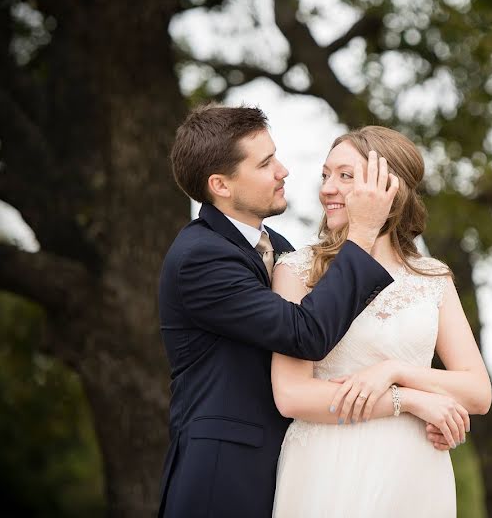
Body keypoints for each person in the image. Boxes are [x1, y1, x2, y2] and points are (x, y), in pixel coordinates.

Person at [157, 105, 400, 518]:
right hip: (224, 480)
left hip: (299, 472)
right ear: (221, 185)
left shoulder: (281, 248)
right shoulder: (201, 258)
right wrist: (361, 233)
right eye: (266, 163)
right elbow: (304, 334)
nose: (283, 170)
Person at [270, 126, 492, 517]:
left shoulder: (432, 277)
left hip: (414, 469)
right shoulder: (297, 270)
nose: (327, 189)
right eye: (326, 175)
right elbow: (292, 396)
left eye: (346, 176)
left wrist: (393, 371)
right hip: (328, 465)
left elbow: (477, 392)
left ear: (390, 189)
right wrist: (410, 400)